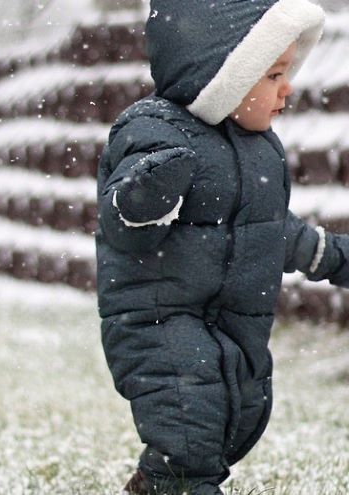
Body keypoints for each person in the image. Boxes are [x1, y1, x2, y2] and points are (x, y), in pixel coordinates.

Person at [95, 1, 348, 494]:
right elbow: (124, 220)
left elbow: (271, 230)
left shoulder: (261, 151)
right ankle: (182, 481)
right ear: (223, 76)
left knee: (240, 409)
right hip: (160, 321)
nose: (288, 87)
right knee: (190, 421)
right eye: (273, 74)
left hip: (232, 324)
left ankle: (156, 482)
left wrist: (332, 255)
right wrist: (150, 190)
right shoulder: (153, 131)